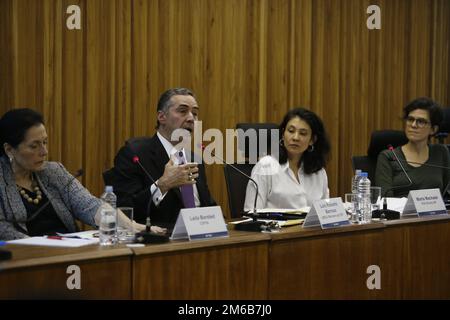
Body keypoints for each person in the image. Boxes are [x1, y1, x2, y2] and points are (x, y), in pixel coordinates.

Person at [0, 108, 161, 241]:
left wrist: (134, 227)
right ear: (9, 149)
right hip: (28, 259)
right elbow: (4, 230)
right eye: (34, 146)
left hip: (68, 251)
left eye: (45, 142)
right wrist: (39, 247)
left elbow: (89, 205)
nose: (44, 152)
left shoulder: (53, 171)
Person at [109, 88, 216, 228]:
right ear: (161, 117)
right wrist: (163, 185)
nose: (191, 119)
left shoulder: (195, 158)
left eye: (195, 113)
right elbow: (126, 211)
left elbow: (208, 205)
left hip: (201, 237)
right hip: (160, 241)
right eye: (183, 111)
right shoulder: (135, 155)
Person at [244, 108, 330, 211]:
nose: (295, 137)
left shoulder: (318, 172)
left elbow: (326, 213)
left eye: (303, 133)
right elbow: (251, 214)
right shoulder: (266, 166)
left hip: (310, 227)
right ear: (283, 134)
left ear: (312, 140)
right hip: (275, 226)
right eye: (291, 131)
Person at [375, 97, 450, 197]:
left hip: (434, 212)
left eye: (421, 121)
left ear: (433, 129)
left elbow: (446, 193)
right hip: (399, 212)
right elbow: (385, 199)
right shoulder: (388, 156)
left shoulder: (441, 152)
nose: (413, 125)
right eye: (410, 119)